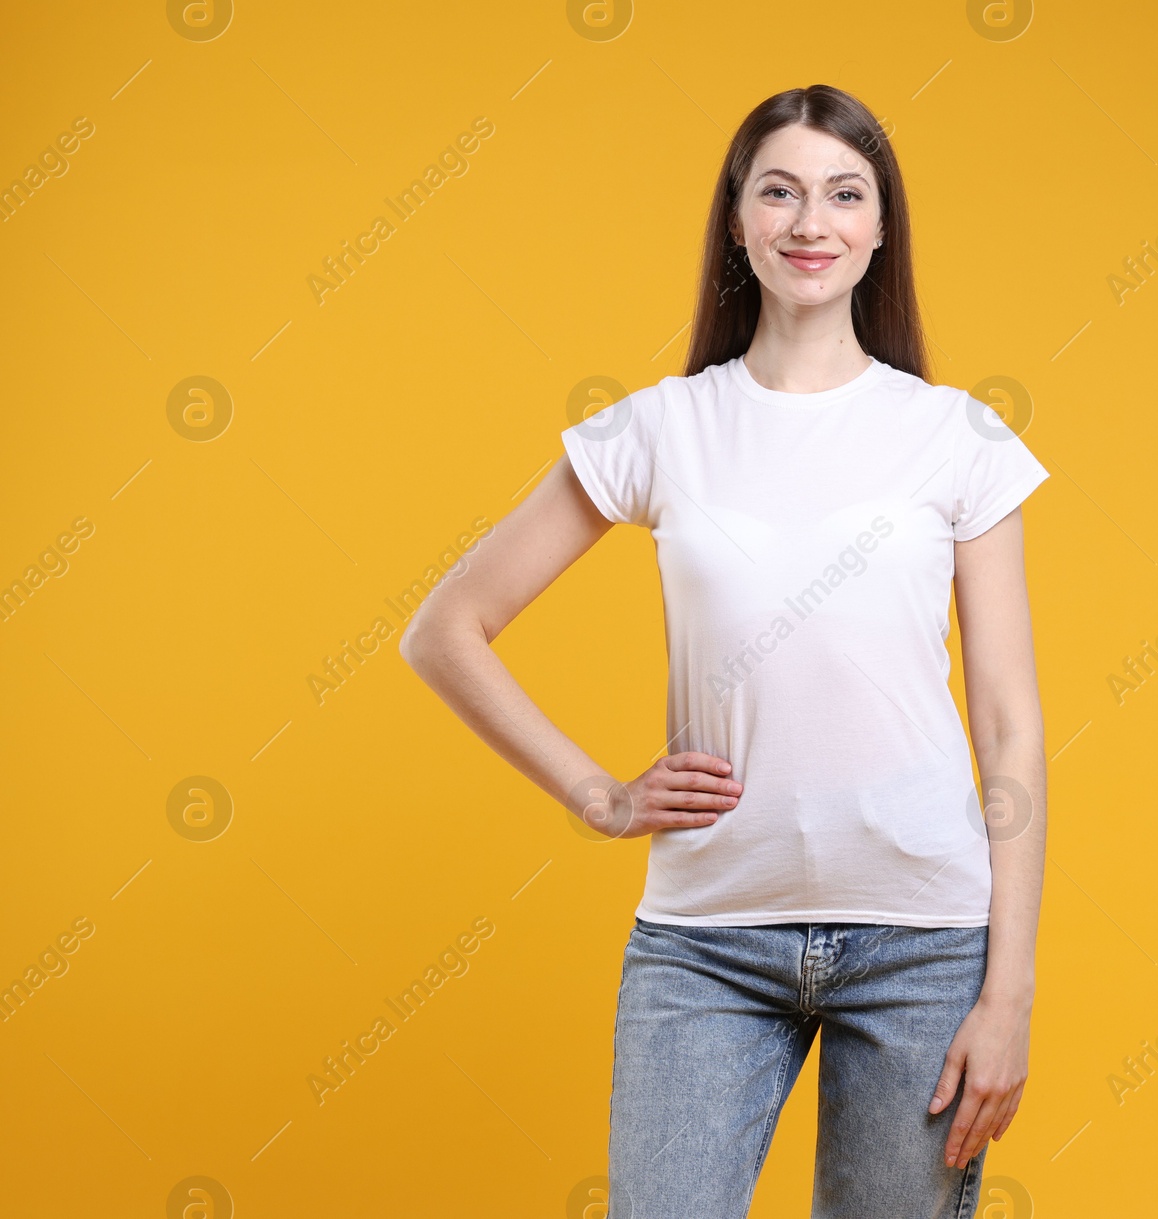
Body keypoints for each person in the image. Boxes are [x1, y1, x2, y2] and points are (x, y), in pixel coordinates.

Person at [399, 83, 1049, 1219]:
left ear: (879, 226)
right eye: (781, 191)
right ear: (739, 223)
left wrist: (1010, 989)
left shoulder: (956, 438)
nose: (813, 222)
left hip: (924, 944)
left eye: (845, 194)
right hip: (706, 941)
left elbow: (1008, 724)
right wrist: (597, 793)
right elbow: (444, 629)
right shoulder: (661, 427)